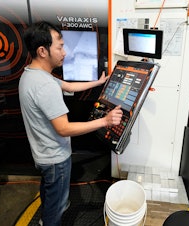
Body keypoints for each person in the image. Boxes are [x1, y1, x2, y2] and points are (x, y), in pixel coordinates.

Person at [18, 21, 123, 226]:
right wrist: (105, 121)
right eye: (59, 46)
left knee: (50, 194)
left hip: (42, 155)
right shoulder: (45, 85)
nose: (64, 52)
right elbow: (64, 128)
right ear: (42, 51)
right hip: (55, 158)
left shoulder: (31, 75)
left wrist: (99, 82)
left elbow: (68, 86)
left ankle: (44, 219)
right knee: (56, 206)